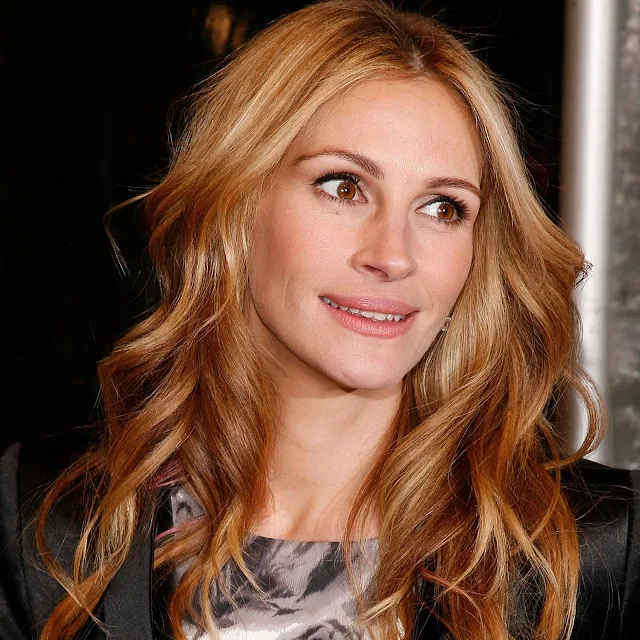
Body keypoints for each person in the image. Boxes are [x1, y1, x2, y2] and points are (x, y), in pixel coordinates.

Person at [1, 1, 639, 639]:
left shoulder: (595, 552)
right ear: (237, 202)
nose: (393, 256)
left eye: (443, 207)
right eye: (343, 187)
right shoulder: (47, 524)